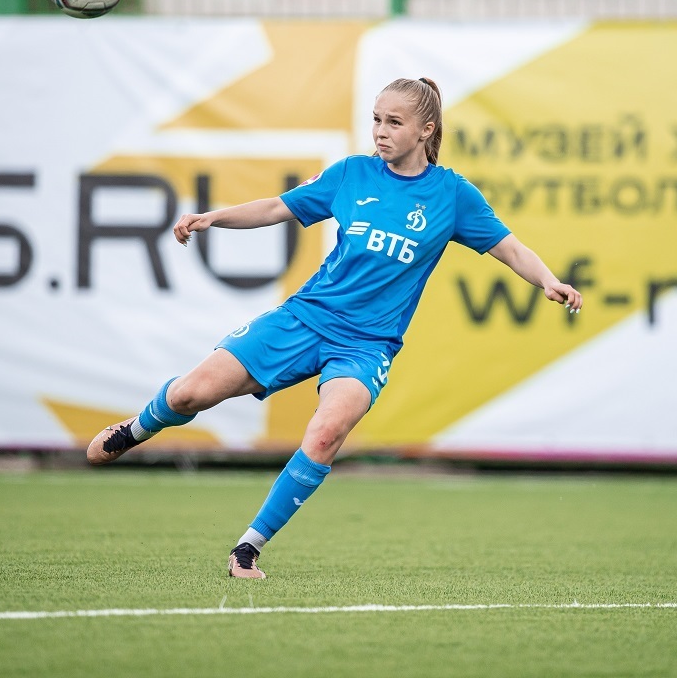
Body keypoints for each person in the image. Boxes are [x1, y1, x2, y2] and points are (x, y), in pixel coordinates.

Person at [86, 77, 583, 578]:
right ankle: (136, 428)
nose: (381, 132)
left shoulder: (451, 195)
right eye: (376, 120)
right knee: (191, 395)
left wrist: (548, 281)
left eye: (394, 122)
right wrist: (212, 218)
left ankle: (247, 549)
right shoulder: (352, 175)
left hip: (366, 346)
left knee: (326, 434)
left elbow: (510, 247)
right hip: (305, 318)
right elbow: (276, 207)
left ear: (425, 130)